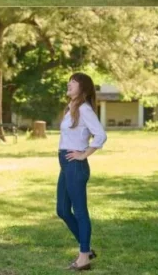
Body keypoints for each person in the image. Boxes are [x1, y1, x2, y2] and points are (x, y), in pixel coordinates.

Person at [57, 72, 108, 271]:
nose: (69, 83)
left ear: (83, 88)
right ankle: (86, 249)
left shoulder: (85, 109)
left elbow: (101, 135)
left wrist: (84, 154)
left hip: (76, 166)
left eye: (75, 82)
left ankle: (83, 258)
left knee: (79, 212)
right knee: (62, 210)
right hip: (66, 165)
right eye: (69, 80)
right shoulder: (71, 109)